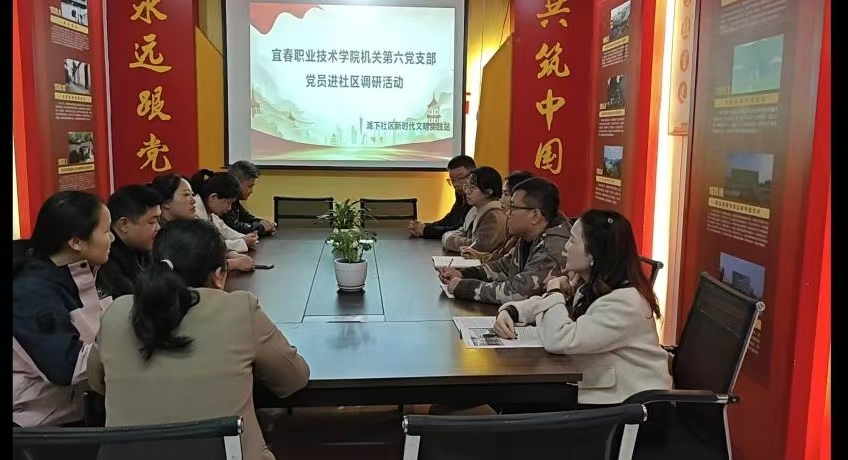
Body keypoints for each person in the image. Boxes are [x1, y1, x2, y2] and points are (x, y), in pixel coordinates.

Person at [88, 219, 310, 460]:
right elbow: (293, 379)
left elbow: (97, 383)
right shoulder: (239, 309)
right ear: (219, 276)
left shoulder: (117, 312)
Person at [493, 209, 672, 405]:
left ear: (593, 253)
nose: (566, 247)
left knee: (518, 399)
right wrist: (513, 311)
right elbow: (549, 307)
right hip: (598, 388)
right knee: (515, 396)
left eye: (572, 240)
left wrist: (555, 291)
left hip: (630, 405)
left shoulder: (626, 302)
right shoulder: (590, 285)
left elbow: (560, 339)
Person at [13, 191, 114, 427]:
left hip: (83, 409)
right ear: (76, 242)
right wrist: (130, 346)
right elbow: (67, 366)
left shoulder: (87, 272)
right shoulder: (29, 294)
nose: (112, 238)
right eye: (106, 231)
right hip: (43, 424)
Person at [437, 177, 571, 305]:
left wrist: (463, 287)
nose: (507, 213)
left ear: (535, 216)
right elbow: (504, 267)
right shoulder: (528, 237)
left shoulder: (553, 248)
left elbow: (517, 292)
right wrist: (462, 274)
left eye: (513, 208)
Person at [149, 173, 255, 273]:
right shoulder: (157, 232)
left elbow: (206, 249)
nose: (193, 200)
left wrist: (231, 253)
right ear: (166, 202)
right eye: (186, 195)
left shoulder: (183, 225)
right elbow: (187, 266)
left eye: (192, 194)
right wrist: (231, 264)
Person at [97, 184, 164, 298]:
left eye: (158, 221)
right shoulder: (105, 262)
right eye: (152, 222)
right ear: (124, 224)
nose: (158, 227)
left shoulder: (143, 248)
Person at [460, 170, 534, 263]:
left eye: (506, 194)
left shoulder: (543, 243)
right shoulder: (518, 234)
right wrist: (479, 256)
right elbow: (503, 259)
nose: (501, 199)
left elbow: (483, 247)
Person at [189, 169, 259, 254]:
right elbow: (207, 245)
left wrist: (244, 237)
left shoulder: (209, 210)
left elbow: (224, 230)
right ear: (213, 197)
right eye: (228, 203)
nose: (229, 208)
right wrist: (242, 242)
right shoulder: (194, 212)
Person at [441, 166, 507, 254]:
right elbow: (462, 231)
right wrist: (449, 237)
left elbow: (478, 246)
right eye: (467, 187)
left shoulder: (493, 216)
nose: (467, 192)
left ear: (488, 192)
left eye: (472, 187)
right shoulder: (475, 210)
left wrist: (448, 239)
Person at [408, 155, 476, 239]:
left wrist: (426, 230)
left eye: (460, 178)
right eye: (452, 179)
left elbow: (461, 230)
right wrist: (425, 226)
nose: (455, 184)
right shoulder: (460, 193)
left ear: (473, 175)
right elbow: (450, 219)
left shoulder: (479, 196)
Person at [222, 161, 277, 237]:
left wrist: (264, 222)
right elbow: (234, 227)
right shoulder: (222, 200)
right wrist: (262, 227)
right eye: (249, 186)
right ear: (236, 183)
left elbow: (247, 218)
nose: (251, 191)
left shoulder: (235, 201)